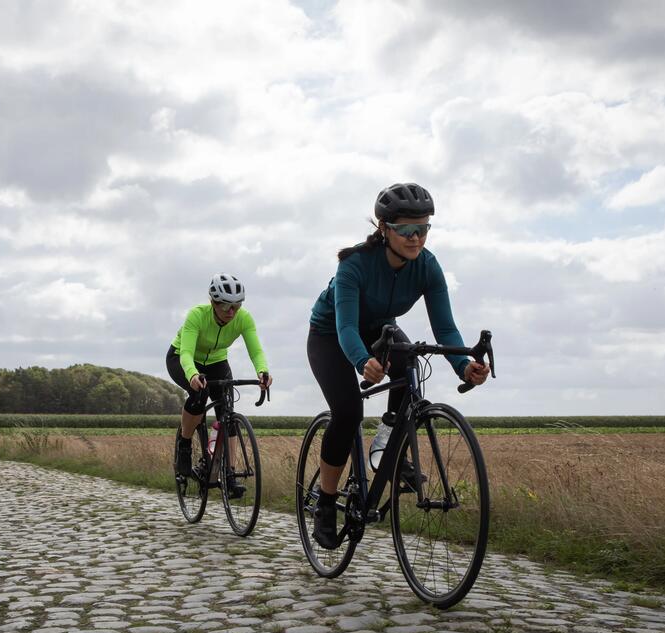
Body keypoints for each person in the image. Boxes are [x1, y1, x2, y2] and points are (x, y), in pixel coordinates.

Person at [306, 182, 489, 549]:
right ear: (384, 229)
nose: (416, 238)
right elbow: (344, 327)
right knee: (348, 412)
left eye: (424, 229)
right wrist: (362, 361)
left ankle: (387, 445)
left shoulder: (427, 266)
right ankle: (325, 503)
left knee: (409, 369)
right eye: (407, 230)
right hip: (330, 335)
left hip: (379, 330)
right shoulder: (353, 266)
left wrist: (462, 365)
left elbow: (445, 327)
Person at [167, 273, 272, 486]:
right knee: (199, 394)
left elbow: (256, 351)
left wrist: (262, 371)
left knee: (227, 413)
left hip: (217, 362)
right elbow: (186, 352)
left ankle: (229, 473)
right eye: (226, 307)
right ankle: (185, 445)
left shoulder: (244, 318)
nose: (232, 312)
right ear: (213, 302)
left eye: (237, 305)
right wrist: (193, 375)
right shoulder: (197, 316)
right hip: (182, 359)